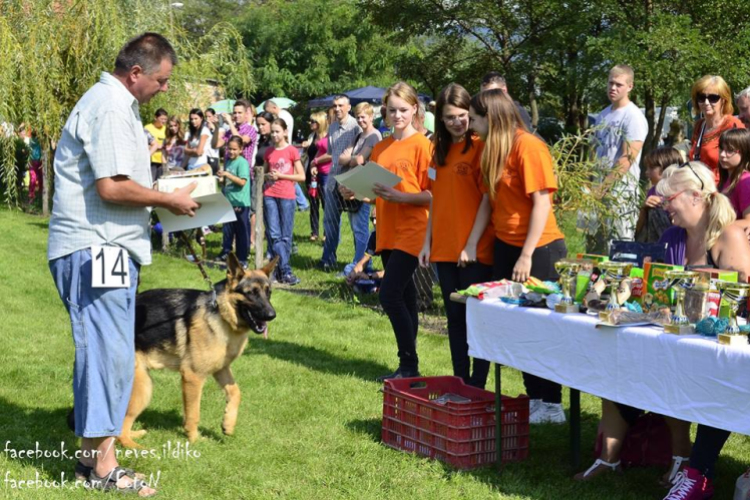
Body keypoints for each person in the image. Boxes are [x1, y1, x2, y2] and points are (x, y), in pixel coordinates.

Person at [48, 32, 199, 496]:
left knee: (110, 351)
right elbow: (112, 187)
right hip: (97, 248)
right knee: (108, 353)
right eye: (162, 79)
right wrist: (165, 200)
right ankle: (102, 468)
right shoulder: (111, 106)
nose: (165, 89)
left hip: (105, 247)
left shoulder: (115, 104)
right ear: (136, 73)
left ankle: (91, 458)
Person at [645, 162, 750, 500]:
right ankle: (689, 468)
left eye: (669, 198)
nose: (664, 205)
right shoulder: (671, 238)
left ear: (695, 196)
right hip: (689, 344)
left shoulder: (728, 235)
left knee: (715, 382)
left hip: (730, 346)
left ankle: (698, 474)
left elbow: (742, 300)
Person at [469, 89, 568, 423]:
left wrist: (525, 255)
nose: (469, 124)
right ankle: (536, 397)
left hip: (539, 249)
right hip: (505, 245)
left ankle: (553, 404)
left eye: (474, 118)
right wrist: (472, 243)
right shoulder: (489, 148)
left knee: (540, 328)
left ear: (491, 117)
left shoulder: (530, 147)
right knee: (516, 327)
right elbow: (488, 200)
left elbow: (542, 203)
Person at [418, 83, 494, 388]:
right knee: (454, 319)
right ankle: (460, 381)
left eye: (462, 115)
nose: (457, 122)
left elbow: (488, 199)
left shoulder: (481, 146)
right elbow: (435, 198)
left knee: (477, 320)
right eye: (450, 117)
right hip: (444, 249)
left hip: (475, 249)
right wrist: (427, 242)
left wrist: (472, 243)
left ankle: (479, 383)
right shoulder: (438, 151)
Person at [366, 82, 432, 381]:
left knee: (389, 295)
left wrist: (403, 197)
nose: (397, 115)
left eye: (403, 110)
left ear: (414, 109)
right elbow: (374, 191)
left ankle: (408, 362)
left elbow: (434, 194)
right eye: (391, 110)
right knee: (404, 297)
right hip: (387, 231)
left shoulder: (424, 146)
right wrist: (358, 192)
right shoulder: (380, 147)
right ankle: (410, 367)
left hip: (413, 230)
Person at [590, 64, 649, 245]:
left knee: (618, 244)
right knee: (594, 242)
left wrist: (603, 187)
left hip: (620, 192)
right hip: (598, 189)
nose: (613, 88)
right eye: (610, 83)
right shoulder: (603, 115)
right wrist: (591, 183)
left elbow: (627, 158)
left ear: (630, 86)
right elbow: (594, 152)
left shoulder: (633, 117)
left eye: (618, 84)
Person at [319, 94, 363, 271]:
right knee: (329, 222)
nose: (337, 109)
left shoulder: (357, 127)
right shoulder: (332, 127)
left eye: (340, 105)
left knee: (357, 226)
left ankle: (358, 262)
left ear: (349, 107)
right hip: (332, 181)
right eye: (335, 106)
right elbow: (332, 154)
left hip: (351, 182)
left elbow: (361, 157)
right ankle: (328, 259)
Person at [264, 118, 305, 285]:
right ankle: (283, 271)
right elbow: (264, 174)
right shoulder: (268, 152)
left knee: (286, 236)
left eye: (277, 131)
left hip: (287, 195)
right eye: (272, 132)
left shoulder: (292, 151)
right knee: (274, 235)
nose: (274, 135)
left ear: (285, 132)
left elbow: (301, 176)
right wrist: (268, 176)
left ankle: (282, 271)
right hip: (270, 194)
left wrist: (281, 176)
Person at [688, 75, 744, 183]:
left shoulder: (733, 125)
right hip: (699, 190)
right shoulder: (699, 126)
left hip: (723, 192)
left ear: (723, 100)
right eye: (701, 97)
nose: (706, 103)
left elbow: (743, 164)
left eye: (713, 98)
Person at [635, 147, 683, 243]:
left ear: (666, 168)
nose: (647, 172)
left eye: (651, 168)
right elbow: (638, 230)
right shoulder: (653, 191)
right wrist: (644, 208)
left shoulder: (681, 191)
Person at [217, 136, 251, 267]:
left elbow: (242, 182)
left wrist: (227, 175)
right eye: (229, 149)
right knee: (227, 230)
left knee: (241, 231)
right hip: (229, 200)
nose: (231, 152)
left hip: (240, 202)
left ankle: (242, 258)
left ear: (241, 149)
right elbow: (227, 181)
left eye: (234, 149)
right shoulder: (228, 161)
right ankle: (226, 251)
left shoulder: (242, 163)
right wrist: (221, 178)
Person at [306, 111, 331, 242]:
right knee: (313, 202)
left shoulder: (329, 136)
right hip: (312, 173)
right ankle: (314, 231)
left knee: (326, 203)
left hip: (325, 172)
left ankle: (327, 232)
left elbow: (331, 154)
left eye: (313, 121)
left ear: (320, 123)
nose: (311, 123)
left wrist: (315, 162)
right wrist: (311, 165)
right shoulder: (312, 136)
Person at [718, 128, 750, 227]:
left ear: (744, 152)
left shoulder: (745, 182)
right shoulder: (727, 180)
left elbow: (748, 222)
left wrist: (715, 226)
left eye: (730, 150)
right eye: (721, 149)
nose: (723, 155)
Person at [143, 108, 168, 180]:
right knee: (151, 181)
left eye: (165, 119)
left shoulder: (166, 129)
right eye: (162, 119)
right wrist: (156, 146)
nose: (163, 121)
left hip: (162, 161)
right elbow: (144, 145)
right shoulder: (147, 128)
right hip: (151, 161)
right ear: (155, 118)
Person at [203, 108, 224, 173]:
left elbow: (218, 142)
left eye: (209, 116)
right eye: (206, 117)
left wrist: (214, 128)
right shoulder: (204, 128)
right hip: (204, 156)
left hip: (213, 156)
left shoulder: (220, 129)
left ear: (214, 116)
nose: (207, 119)